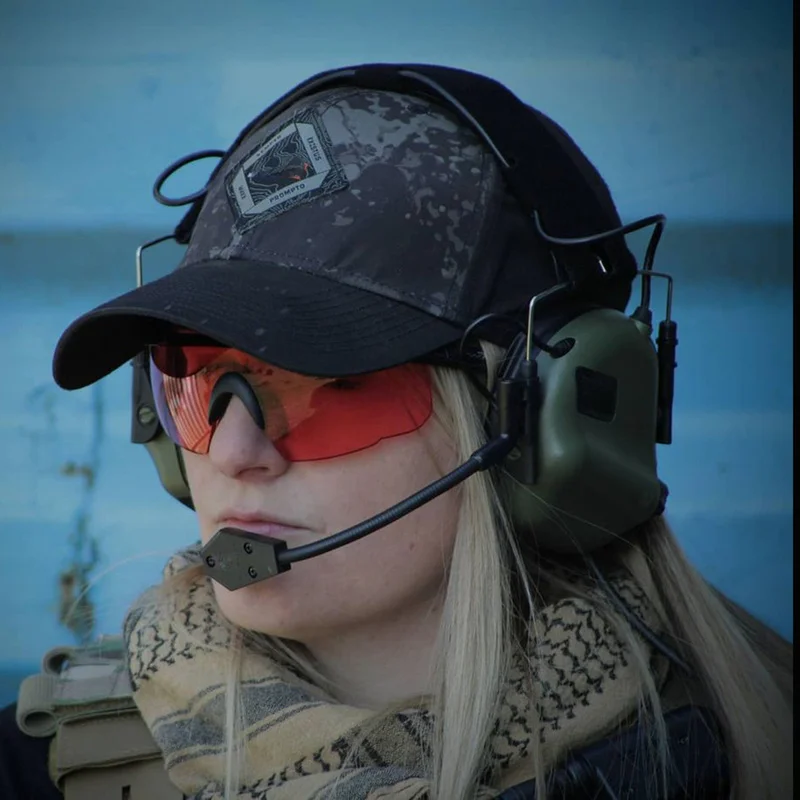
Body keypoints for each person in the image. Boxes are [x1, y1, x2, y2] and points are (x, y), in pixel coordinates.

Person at [1, 64, 792, 800]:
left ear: (546, 425)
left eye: (331, 387)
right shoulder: (39, 770)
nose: (233, 454)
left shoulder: (751, 753)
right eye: (196, 382)